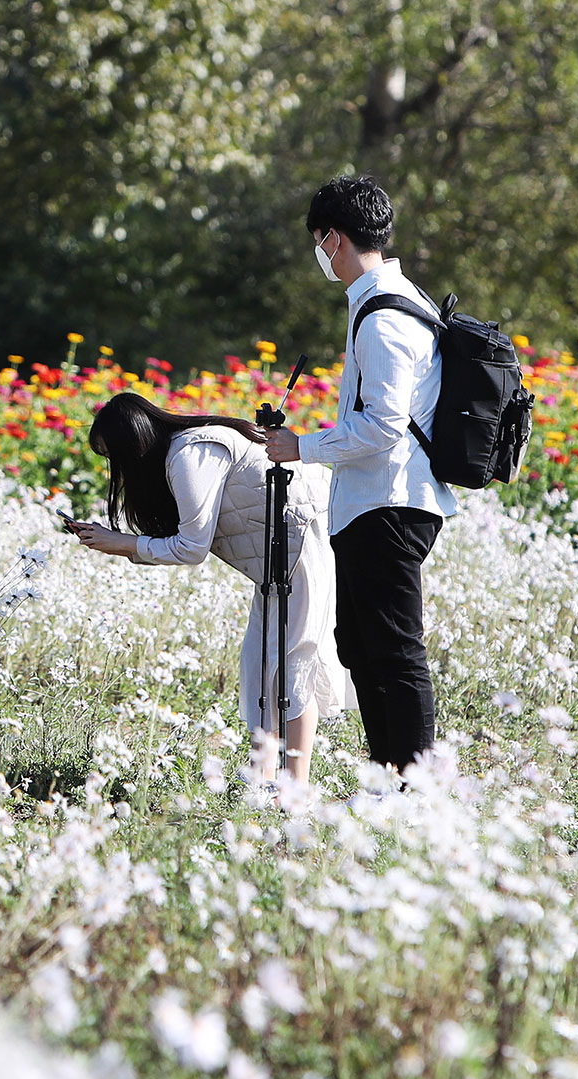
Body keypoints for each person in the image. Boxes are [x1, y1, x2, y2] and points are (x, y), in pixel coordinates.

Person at [263, 175, 457, 773]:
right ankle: (388, 778)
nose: (319, 253)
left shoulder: (383, 317)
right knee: (362, 647)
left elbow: (383, 427)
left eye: (318, 240)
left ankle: (415, 788)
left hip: (390, 502)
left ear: (335, 238)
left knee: (393, 650)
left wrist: (301, 446)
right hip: (378, 501)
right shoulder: (390, 301)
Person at [68, 392, 348, 784]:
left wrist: (124, 544)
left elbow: (191, 547)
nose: (116, 468)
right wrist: (125, 543)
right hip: (281, 549)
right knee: (261, 663)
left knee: (292, 661)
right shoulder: (183, 452)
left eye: (114, 456)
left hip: (304, 535)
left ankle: (295, 788)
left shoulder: (190, 454)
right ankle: (264, 777)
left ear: (134, 446)